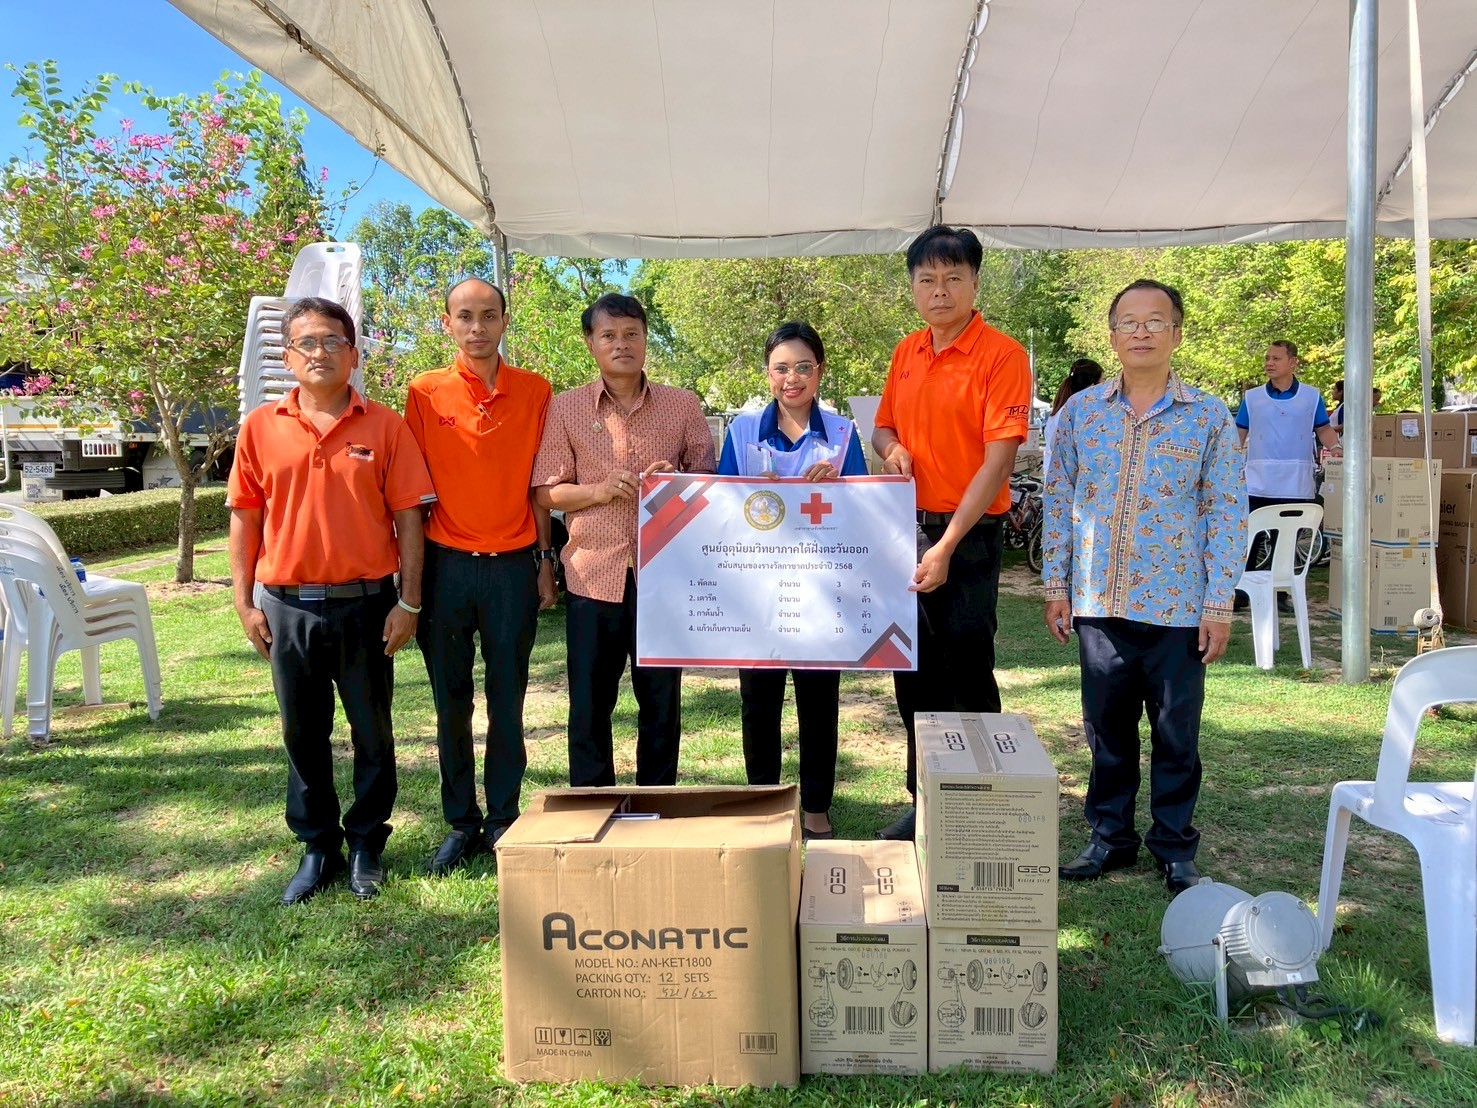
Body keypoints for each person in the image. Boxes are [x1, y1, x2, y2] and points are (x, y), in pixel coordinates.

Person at [228, 296, 435, 905]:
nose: (320, 352)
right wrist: (244, 603)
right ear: (289, 356)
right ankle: (317, 846)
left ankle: (367, 842)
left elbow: (410, 518)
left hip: (366, 605)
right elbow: (244, 516)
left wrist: (410, 603)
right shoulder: (260, 427)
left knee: (373, 731)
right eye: (307, 343)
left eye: (332, 341)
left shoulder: (385, 426)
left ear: (354, 353)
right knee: (302, 731)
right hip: (286, 606)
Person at [1042, 279, 1246, 895]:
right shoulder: (1081, 414)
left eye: (1155, 321)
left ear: (1176, 334)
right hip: (1099, 602)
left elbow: (1226, 509)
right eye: (1128, 322)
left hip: (1178, 605)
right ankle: (1109, 837)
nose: (1141, 332)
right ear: (1112, 335)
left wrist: (1219, 603)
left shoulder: (1208, 416)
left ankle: (1174, 846)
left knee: (1176, 732)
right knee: (1106, 729)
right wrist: (1056, 584)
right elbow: (1060, 499)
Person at [870, 226, 1031, 841]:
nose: (940, 290)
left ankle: (982, 803)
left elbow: (998, 462)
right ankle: (927, 803)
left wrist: (946, 545)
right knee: (913, 672)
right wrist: (893, 450)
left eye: (953, 278)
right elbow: (882, 427)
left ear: (974, 283)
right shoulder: (906, 352)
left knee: (966, 667)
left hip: (969, 536)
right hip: (906, 531)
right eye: (927, 279)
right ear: (913, 287)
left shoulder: (1002, 355)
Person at [404, 278, 557, 877]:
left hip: (513, 567)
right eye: (464, 316)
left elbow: (541, 485)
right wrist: (410, 582)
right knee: (451, 702)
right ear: (447, 323)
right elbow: (411, 492)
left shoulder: (536, 390)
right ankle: (461, 821)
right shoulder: (424, 392)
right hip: (445, 566)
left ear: (504, 321)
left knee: (507, 699)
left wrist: (545, 561)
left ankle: (503, 817)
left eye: (488, 315)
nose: (477, 327)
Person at [532, 293, 716, 788]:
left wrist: (675, 479)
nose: (622, 344)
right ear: (590, 342)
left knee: (661, 701)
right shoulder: (565, 407)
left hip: (665, 577)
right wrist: (597, 490)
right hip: (592, 575)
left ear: (645, 339)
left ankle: (658, 802)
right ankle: (593, 801)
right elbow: (546, 491)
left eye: (632, 334)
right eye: (609, 335)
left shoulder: (682, 404)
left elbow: (709, 481)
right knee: (589, 703)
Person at [717, 321, 868, 841]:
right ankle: (763, 801)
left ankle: (816, 808)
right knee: (758, 700)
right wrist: (748, 491)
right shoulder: (741, 432)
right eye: (781, 368)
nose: (792, 378)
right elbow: (720, 508)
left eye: (803, 367)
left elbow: (864, 509)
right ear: (767, 374)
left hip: (820, 591)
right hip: (758, 591)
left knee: (819, 700)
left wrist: (840, 485)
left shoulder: (843, 434)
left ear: (819, 371)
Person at [1236, 340, 1341, 612]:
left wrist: (1336, 448)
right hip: (1258, 480)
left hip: (1295, 479)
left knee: (1287, 539)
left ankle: (1279, 592)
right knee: (1252, 537)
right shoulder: (1252, 397)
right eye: (1267, 358)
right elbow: (1239, 432)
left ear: (1292, 362)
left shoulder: (1311, 396)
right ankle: (1242, 591)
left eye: (1276, 358)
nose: (1269, 363)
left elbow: (1323, 428)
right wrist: (1228, 459)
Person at [1041, 358, 1104, 479]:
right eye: (1103, 381)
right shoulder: (1075, 413)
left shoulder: (1063, 410)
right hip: (1066, 480)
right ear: (1092, 386)